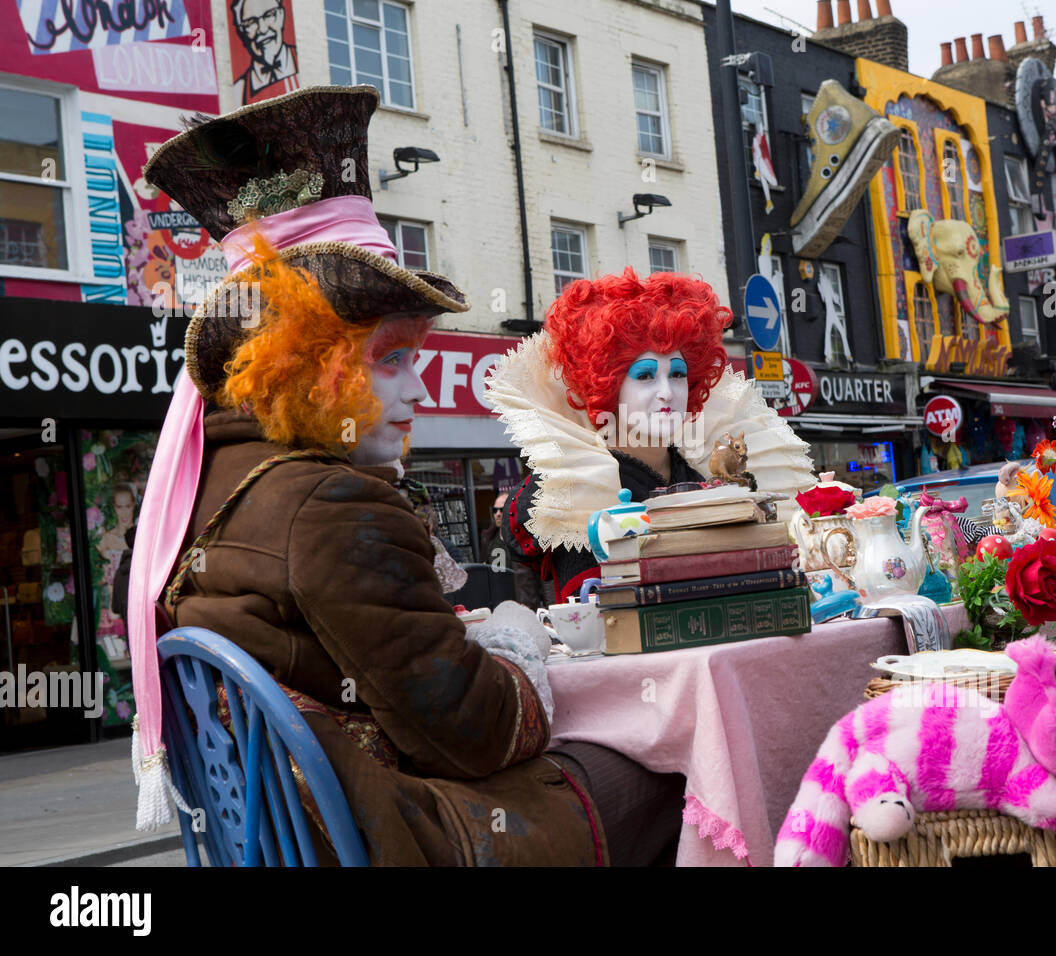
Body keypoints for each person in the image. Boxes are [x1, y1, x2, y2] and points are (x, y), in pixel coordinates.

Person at [128, 86, 615, 865]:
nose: (418, 389)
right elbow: (479, 733)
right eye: (391, 358)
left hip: (306, 837)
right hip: (404, 835)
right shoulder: (329, 501)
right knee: (644, 773)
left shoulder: (211, 482)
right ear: (304, 368)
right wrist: (523, 640)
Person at [486, 267, 814, 601]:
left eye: (677, 374)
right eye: (645, 376)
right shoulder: (579, 483)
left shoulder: (704, 475)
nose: (667, 393)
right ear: (608, 386)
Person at [230, 0, 298, 105]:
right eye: (250, 23)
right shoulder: (239, 91)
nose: (263, 29)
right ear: (241, 32)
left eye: (269, 15)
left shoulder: (302, 64)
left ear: (281, 15)